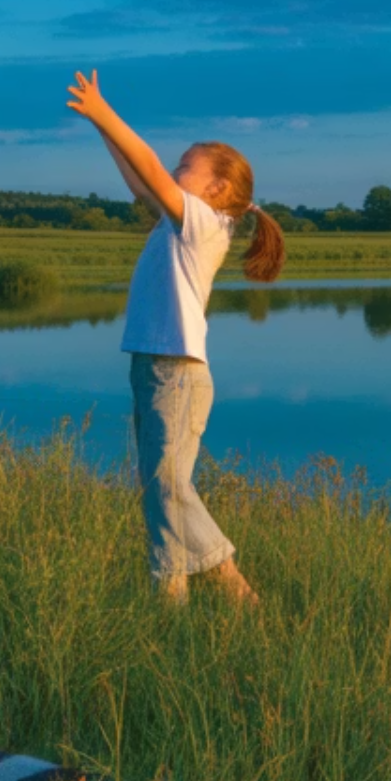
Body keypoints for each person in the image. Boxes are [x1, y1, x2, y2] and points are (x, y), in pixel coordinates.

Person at [65, 69, 282, 606]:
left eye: (186, 165)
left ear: (217, 189)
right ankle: (170, 607)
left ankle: (236, 589)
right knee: (158, 496)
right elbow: (143, 182)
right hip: (154, 366)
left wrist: (104, 112)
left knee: (169, 490)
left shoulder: (205, 222)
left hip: (175, 371)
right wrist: (103, 129)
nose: (174, 169)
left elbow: (151, 175)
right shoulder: (178, 222)